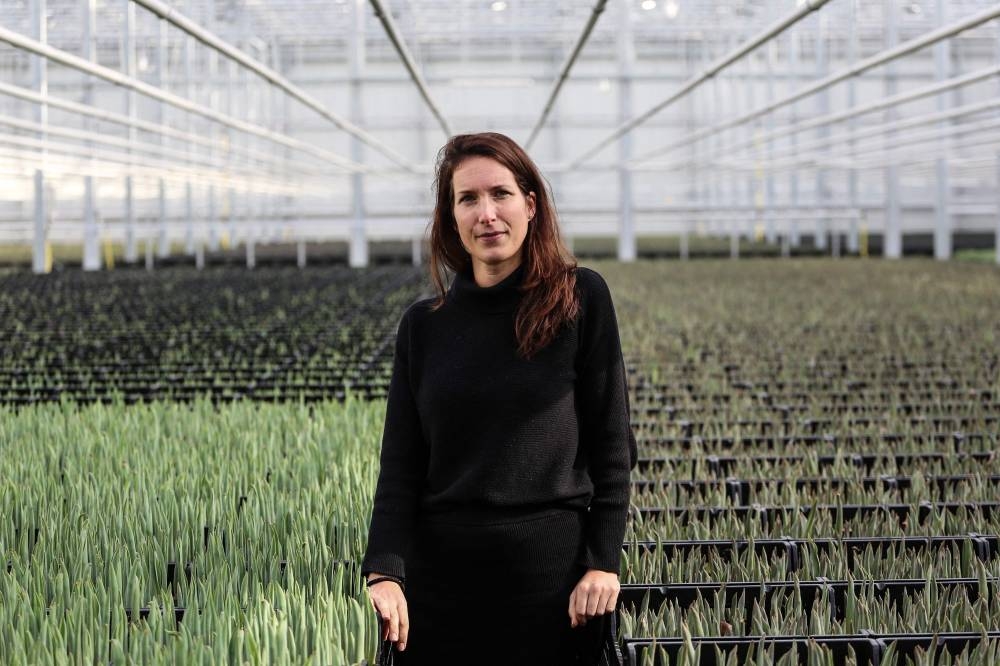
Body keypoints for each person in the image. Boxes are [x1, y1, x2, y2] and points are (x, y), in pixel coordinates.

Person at [360, 132, 637, 665]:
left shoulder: (579, 300)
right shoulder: (423, 326)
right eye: (468, 199)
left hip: (553, 582)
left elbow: (613, 444)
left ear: (531, 205)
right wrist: (384, 571)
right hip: (443, 583)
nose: (486, 213)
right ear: (451, 217)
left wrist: (603, 562)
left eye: (500, 194)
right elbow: (401, 463)